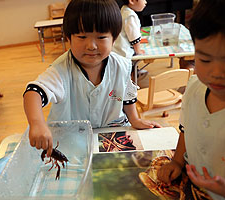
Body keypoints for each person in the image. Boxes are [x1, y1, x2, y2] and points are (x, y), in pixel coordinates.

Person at [23, 0, 161, 156]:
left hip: (111, 135)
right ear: (69, 38)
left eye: (101, 37)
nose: (91, 46)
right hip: (71, 138)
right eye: (82, 37)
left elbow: (127, 96)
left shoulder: (121, 65)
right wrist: (37, 124)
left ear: (114, 39)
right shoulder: (60, 70)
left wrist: (135, 119)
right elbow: (33, 92)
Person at [157, 0, 225, 199]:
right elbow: (186, 128)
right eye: (204, 59)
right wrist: (177, 162)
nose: (216, 73)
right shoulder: (195, 87)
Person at [112, 0, 148, 81]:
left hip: (117, 48)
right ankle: (133, 75)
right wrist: (138, 51)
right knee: (133, 60)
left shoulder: (124, 10)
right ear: (132, 1)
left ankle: (135, 71)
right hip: (123, 51)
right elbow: (134, 37)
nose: (145, 2)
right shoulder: (130, 16)